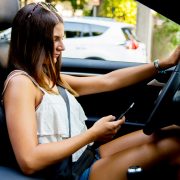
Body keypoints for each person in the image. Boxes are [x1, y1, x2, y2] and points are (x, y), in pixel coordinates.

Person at [1, 2, 180, 180]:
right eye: (55, 39)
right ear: (33, 41)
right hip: (71, 173)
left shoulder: (48, 77)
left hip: (84, 156)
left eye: (62, 38)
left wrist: (163, 64)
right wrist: (92, 134)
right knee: (175, 146)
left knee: (173, 132)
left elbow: (109, 81)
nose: (62, 47)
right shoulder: (20, 84)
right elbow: (29, 160)